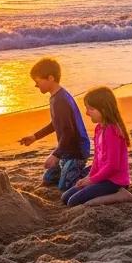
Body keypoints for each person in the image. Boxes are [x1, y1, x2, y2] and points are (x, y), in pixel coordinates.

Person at [18, 57, 91, 190]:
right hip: (66, 150)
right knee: (48, 179)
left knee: (66, 187)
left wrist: (55, 155)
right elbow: (55, 124)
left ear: (50, 78)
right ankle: (67, 170)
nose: (35, 85)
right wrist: (35, 137)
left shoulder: (61, 101)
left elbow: (68, 131)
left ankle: (96, 172)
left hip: (76, 151)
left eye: (37, 81)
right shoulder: (55, 97)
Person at [61, 86, 132, 208]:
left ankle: (121, 195)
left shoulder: (112, 131)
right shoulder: (98, 129)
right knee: (65, 198)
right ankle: (96, 192)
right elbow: (97, 159)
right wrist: (88, 177)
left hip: (115, 182)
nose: (86, 113)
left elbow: (112, 166)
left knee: (73, 202)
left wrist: (92, 181)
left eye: (90, 109)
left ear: (104, 109)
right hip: (102, 177)